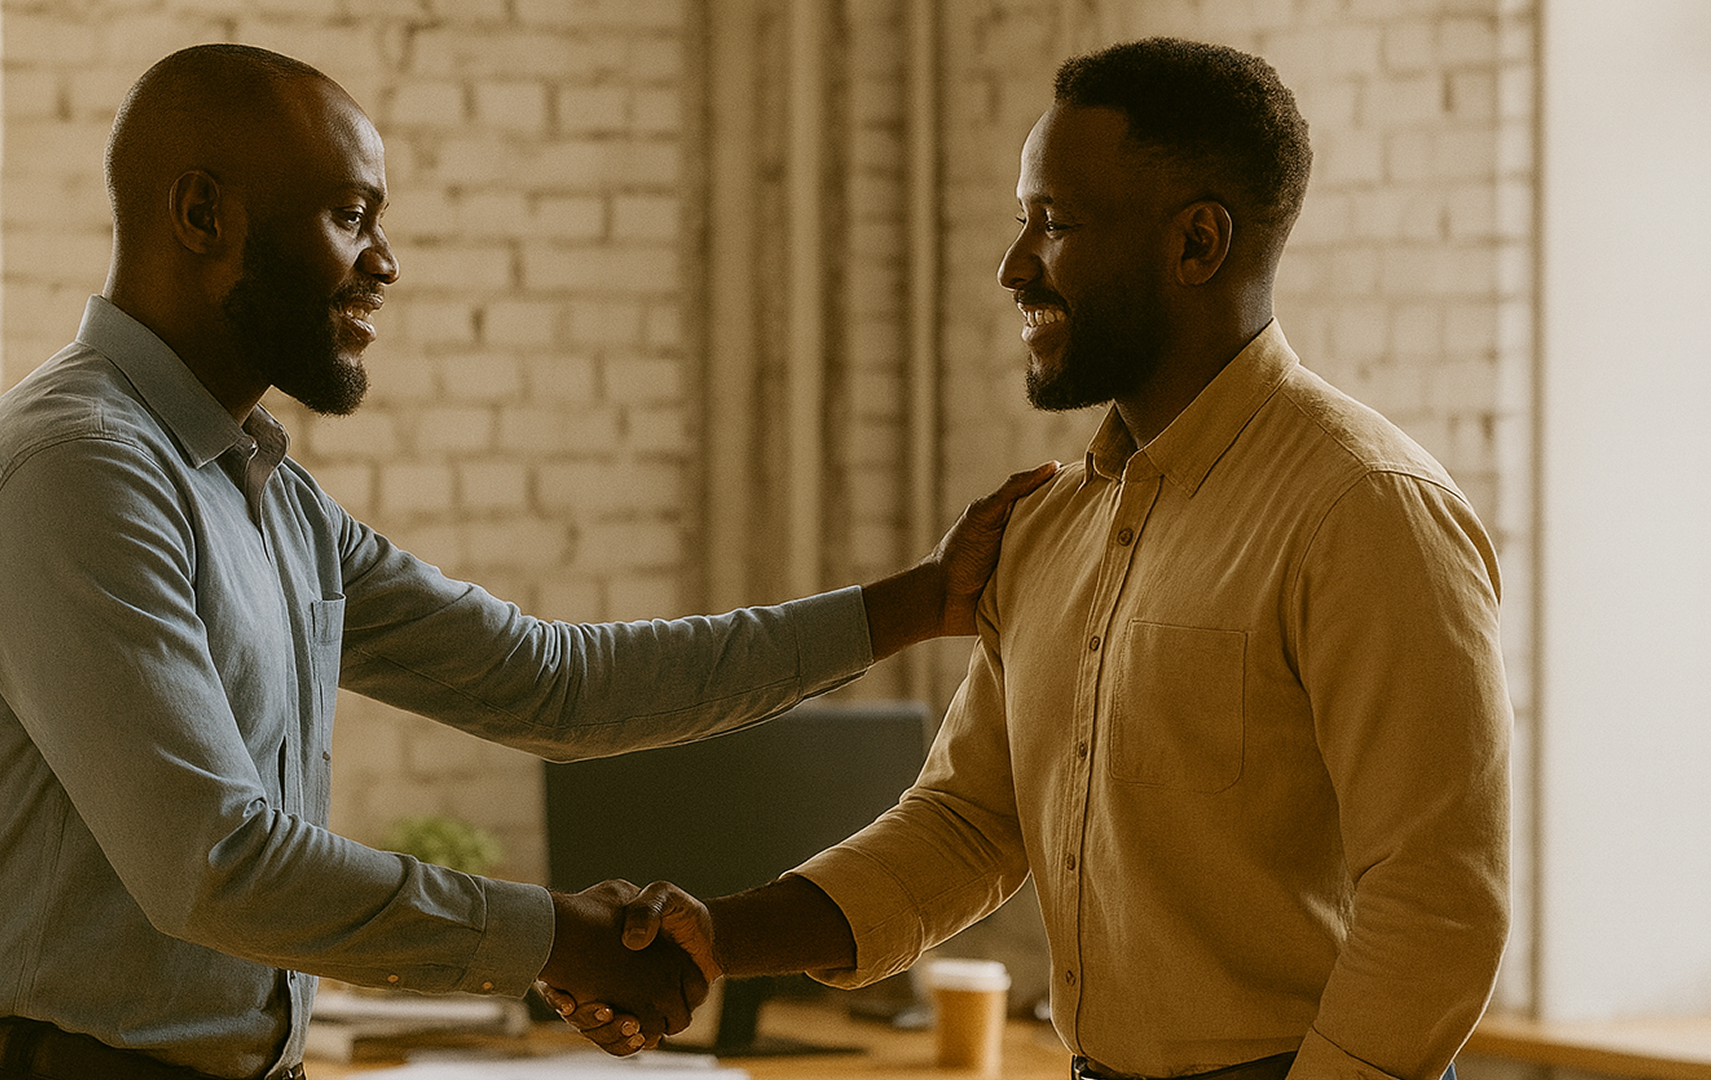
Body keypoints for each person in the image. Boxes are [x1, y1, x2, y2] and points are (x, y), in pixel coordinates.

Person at [0, 43, 1055, 1080]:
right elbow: (215, 863)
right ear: (203, 214)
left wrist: (918, 603)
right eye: (350, 216)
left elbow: (554, 684)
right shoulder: (76, 473)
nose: (385, 263)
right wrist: (557, 937)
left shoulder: (269, 497)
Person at [561, 37, 1512, 1080]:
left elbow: (1437, 909)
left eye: (1054, 224)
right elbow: (971, 822)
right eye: (1024, 220)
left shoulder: (1368, 513)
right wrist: (720, 936)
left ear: (1197, 243)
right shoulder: (1051, 525)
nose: (1015, 266)